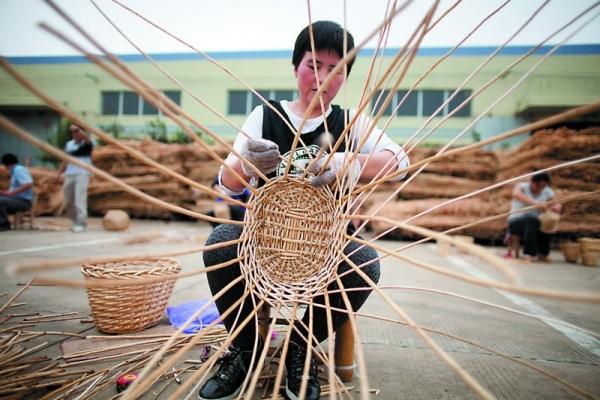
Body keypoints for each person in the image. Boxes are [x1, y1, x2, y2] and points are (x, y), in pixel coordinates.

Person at [198, 21, 409, 400]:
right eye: (314, 65)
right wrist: (246, 164)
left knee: (364, 261)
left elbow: (400, 162)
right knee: (219, 242)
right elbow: (225, 183)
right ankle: (245, 350)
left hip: (324, 250)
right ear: (296, 66)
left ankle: (300, 346)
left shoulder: (349, 122)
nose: (324, 78)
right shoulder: (264, 117)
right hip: (261, 245)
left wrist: (348, 162)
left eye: (337, 70)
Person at [508, 172, 561, 262]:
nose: (540, 189)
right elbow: (516, 194)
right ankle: (529, 254)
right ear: (532, 182)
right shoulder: (522, 187)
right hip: (516, 222)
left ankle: (543, 253)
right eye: (538, 186)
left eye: (543, 187)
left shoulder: (547, 191)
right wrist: (536, 204)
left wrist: (555, 207)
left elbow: (557, 203)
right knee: (531, 219)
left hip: (536, 223)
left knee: (547, 222)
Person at [56, 123, 94, 232]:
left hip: (82, 173)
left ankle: (81, 222)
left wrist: (81, 131)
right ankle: (74, 220)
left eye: (76, 131)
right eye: (72, 131)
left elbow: (88, 141)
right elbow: (65, 160)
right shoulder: (69, 144)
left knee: (80, 198)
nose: (74, 133)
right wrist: (58, 173)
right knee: (68, 199)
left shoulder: (88, 143)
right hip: (70, 173)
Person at [0, 154, 34, 231]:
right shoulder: (15, 170)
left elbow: (28, 184)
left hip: (23, 202)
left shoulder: (18, 170)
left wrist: (12, 193)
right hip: (17, 200)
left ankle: (3, 224)